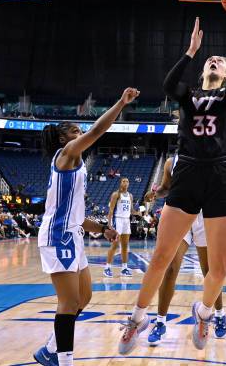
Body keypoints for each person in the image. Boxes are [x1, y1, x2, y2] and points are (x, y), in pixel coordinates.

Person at [118, 0, 226, 355]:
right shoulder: (188, 97)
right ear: (203, 71)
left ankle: (205, 312)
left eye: (220, 61)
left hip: (219, 175)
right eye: (211, 60)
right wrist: (191, 51)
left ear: (225, 75)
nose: (215, 60)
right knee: (161, 257)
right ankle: (137, 319)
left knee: (221, 267)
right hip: (186, 174)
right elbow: (168, 85)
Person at [32, 88, 138, 366]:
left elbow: (77, 216)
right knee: (67, 303)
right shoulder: (65, 154)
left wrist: (102, 228)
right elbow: (97, 132)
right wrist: (121, 103)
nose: (81, 135)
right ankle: (63, 361)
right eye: (76, 131)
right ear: (64, 138)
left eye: (80, 131)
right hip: (57, 236)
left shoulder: (78, 167)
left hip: (74, 234)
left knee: (84, 297)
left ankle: (50, 349)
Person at [146, 155, 226, 346]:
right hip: (178, 214)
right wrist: (155, 193)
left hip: (204, 216)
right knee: (170, 269)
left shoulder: (211, 156)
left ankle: (219, 314)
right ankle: (160, 322)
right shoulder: (171, 162)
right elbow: (166, 188)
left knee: (210, 271)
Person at [103, 177, 141, 277]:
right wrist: (109, 224)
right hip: (118, 220)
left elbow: (131, 210)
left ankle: (124, 268)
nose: (126, 183)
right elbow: (111, 210)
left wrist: (137, 213)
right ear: (120, 183)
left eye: (127, 181)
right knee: (115, 245)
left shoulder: (130, 195)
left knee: (125, 246)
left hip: (126, 221)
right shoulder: (116, 194)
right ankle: (107, 267)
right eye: (124, 181)